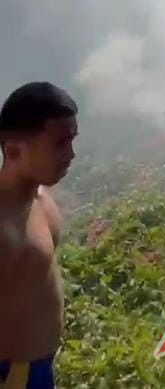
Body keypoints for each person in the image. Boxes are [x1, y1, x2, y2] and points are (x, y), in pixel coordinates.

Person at [0, 82, 78, 389]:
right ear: (14, 150)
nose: (71, 154)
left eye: (72, 140)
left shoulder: (43, 202)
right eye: (60, 143)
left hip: (40, 368)